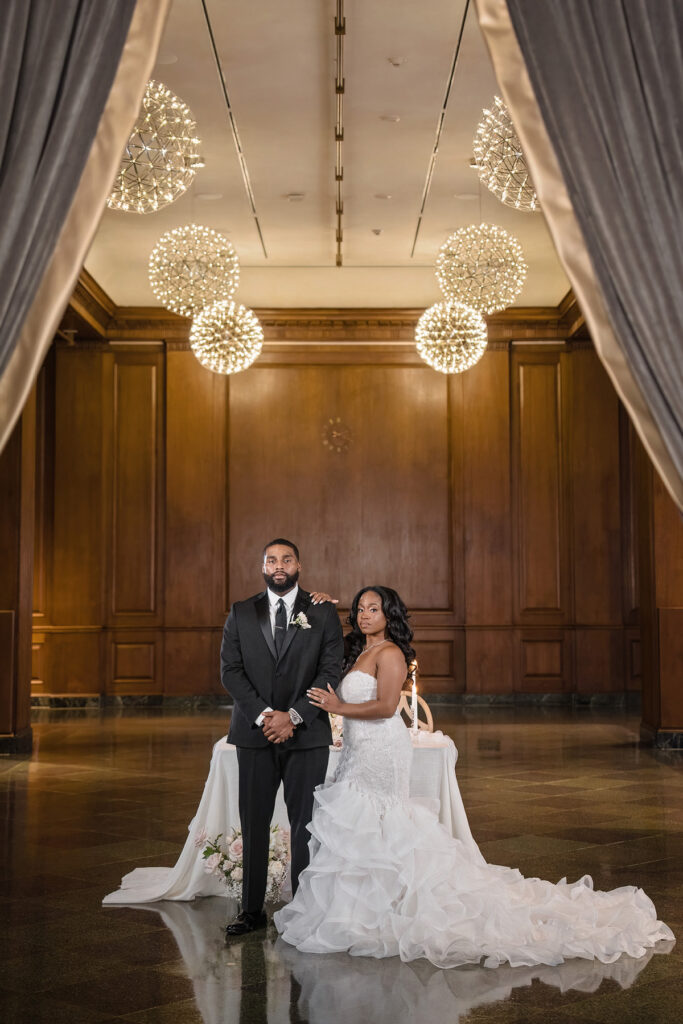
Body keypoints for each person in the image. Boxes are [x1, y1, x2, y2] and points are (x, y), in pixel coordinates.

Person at [274, 585, 674, 968]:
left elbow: (385, 707)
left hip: (382, 749)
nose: (364, 614)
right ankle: (365, 908)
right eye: (360, 608)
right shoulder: (361, 651)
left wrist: (338, 706)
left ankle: (390, 905)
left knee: (380, 819)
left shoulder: (391, 652)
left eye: (373, 609)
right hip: (359, 751)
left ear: (388, 614)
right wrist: (314, 600)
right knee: (362, 824)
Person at [220, 538, 344, 937]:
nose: (279, 565)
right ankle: (251, 911)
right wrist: (264, 716)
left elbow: (329, 670)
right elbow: (231, 672)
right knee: (253, 822)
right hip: (255, 735)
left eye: (286, 559)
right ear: (262, 567)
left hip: (306, 736)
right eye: (271, 559)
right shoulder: (240, 612)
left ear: (299, 565)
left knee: (305, 824)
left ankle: (303, 910)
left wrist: (293, 716)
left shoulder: (322, 612)